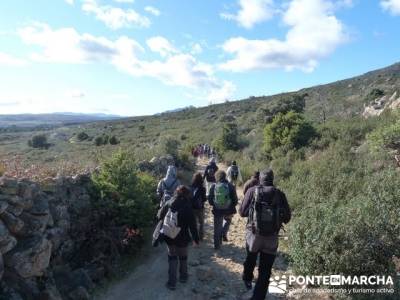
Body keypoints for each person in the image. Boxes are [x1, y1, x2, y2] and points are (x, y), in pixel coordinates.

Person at [239, 169, 291, 300]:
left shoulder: (252, 191)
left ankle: (247, 278)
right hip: (272, 238)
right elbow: (287, 218)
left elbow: (242, 212)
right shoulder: (279, 194)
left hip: (254, 235)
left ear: (260, 178)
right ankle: (258, 296)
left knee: (251, 257)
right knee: (266, 269)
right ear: (272, 179)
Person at [157, 185, 200, 290]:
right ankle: (183, 277)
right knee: (183, 257)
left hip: (169, 236)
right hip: (183, 237)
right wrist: (196, 240)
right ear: (186, 195)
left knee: (172, 257)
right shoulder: (188, 207)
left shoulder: (168, 203)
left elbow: (159, 216)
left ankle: (172, 283)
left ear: (176, 193)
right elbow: (193, 226)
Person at [208, 170, 238, 249]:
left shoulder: (213, 186)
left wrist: (215, 204)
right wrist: (230, 205)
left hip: (217, 210)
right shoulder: (231, 186)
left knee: (217, 228)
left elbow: (210, 200)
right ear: (225, 176)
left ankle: (217, 245)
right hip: (228, 210)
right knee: (227, 221)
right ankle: (223, 233)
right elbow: (235, 200)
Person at [191, 172, 207, 240]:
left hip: (192, 207)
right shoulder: (202, 188)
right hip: (200, 208)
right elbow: (204, 199)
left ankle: (194, 237)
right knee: (201, 223)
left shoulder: (190, 187)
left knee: (193, 223)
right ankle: (201, 237)